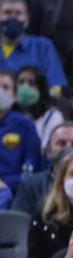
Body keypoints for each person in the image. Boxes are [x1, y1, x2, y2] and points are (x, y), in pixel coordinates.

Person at [0, 0, 67, 92]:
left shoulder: (43, 46)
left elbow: (56, 86)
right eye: (8, 13)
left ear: (26, 20)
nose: (13, 17)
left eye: (18, 13)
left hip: (34, 106)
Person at [0, 67, 40, 196]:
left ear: (15, 95)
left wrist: (6, 183)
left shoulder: (25, 124)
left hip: (11, 190)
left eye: (5, 87)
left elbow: (32, 167)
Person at [15, 66, 64, 150]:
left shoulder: (52, 116)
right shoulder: (7, 114)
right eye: (21, 82)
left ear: (41, 88)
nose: (25, 87)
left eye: (31, 83)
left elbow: (46, 149)